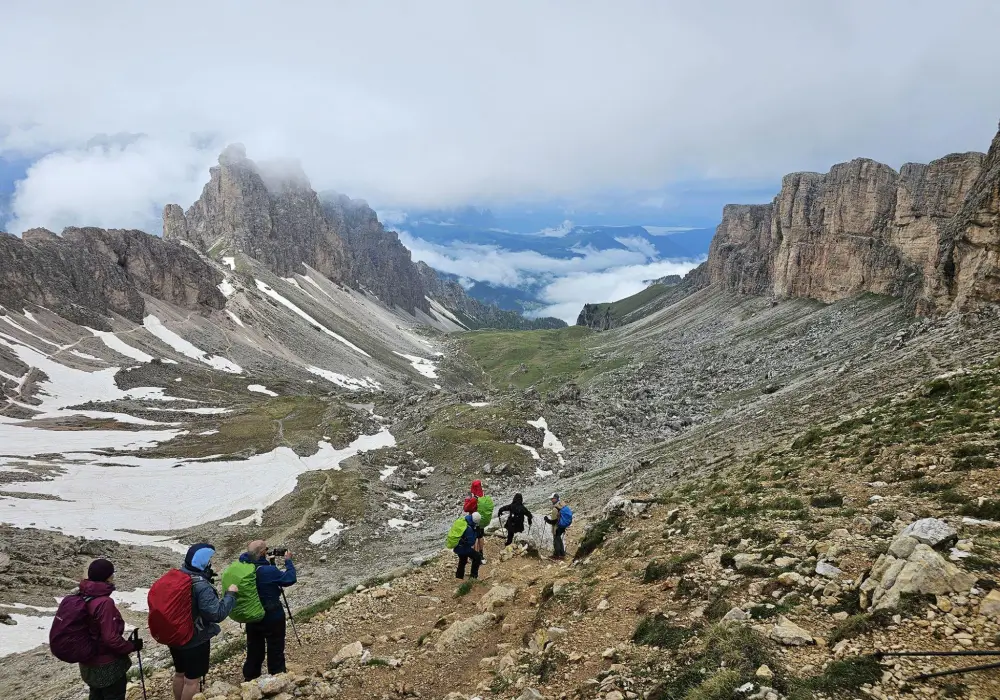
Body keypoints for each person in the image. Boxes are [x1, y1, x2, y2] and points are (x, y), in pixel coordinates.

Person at [171, 544, 237, 700]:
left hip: (174, 635)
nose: (210, 563)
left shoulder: (178, 576)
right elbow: (216, 615)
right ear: (202, 562)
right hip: (195, 638)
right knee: (192, 680)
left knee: (180, 673)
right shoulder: (200, 585)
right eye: (209, 560)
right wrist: (231, 595)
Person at [77, 559, 141, 700]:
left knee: (95, 695)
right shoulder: (105, 603)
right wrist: (131, 646)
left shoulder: (83, 594)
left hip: (87, 662)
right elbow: (111, 638)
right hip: (107, 666)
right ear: (108, 577)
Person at [241, 540, 297, 681]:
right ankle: (277, 676)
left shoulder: (243, 567)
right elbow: (289, 579)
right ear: (262, 552)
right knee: (275, 647)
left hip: (252, 615)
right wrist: (288, 561)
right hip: (272, 615)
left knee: (254, 648)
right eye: (266, 549)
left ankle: (251, 678)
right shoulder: (268, 571)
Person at [454, 511, 483, 579]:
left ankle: (459, 576)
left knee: (463, 560)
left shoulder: (465, 520)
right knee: (477, 557)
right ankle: (473, 576)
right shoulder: (469, 528)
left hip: (457, 546)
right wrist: (476, 533)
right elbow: (471, 542)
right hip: (463, 548)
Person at [543, 493, 567, 559]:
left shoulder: (555, 509)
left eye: (552, 499)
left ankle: (558, 555)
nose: (551, 500)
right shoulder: (561, 506)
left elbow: (553, 522)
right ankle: (562, 554)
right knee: (559, 540)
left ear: (556, 499)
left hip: (557, 527)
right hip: (562, 526)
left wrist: (547, 519)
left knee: (556, 541)